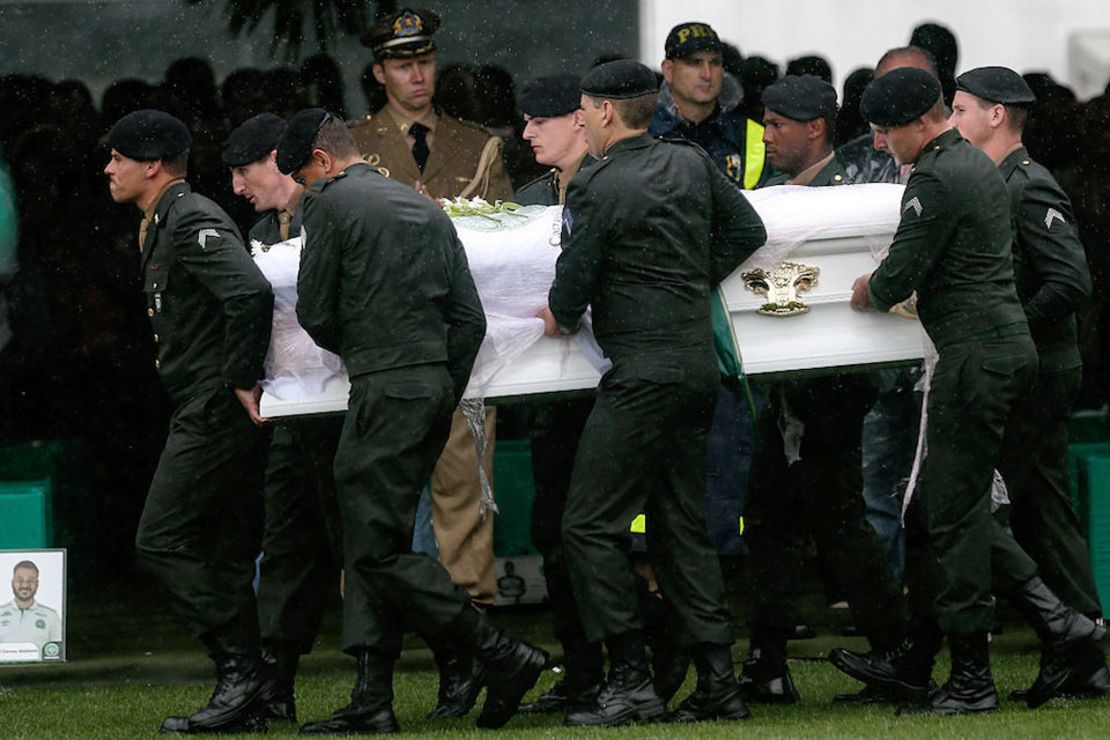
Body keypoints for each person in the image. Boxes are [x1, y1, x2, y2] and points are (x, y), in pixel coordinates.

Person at [276, 108, 546, 734]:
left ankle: (497, 653)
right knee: (382, 540)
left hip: (382, 388)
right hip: (431, 390)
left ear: (321, 161)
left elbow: (315, 309)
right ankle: (373, 696)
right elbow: (470, 320)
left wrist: (374, 358)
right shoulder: (424, 208)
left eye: (303, 176)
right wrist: (438, 386)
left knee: (367, 550)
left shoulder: (330, 207)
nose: (304, 189)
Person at [844, 68, 1104, 716]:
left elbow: (902, 271)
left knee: (959, 519)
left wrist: (867, 289)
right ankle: (1055, 624)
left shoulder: (935, 177)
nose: (879, 145)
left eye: (884, 132)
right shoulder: (978, 166)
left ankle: (974, 678)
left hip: (973, 359)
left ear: (919, 123)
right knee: (944, 507)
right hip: (1002, 351)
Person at [538, 60, 767, 726]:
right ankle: (718, 680)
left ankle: (633, 675)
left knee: (586, 525)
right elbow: (747, 231)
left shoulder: (596, 186)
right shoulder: (690, 163)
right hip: (697, 366)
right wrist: (690, 279)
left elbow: (568, 294)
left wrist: (567, 306)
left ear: (607, 113)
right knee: (681, 527)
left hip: (641, 372)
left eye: (583, 109)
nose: (579, 119)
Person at [350, 14, 505, 703]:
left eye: (426, 60)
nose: (417, 74)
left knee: (464, 507)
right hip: (382, 353)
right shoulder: (351, 147)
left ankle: (466, 660)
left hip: (457, 349)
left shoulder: (478, 148)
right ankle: (373, 673)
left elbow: (508, 243)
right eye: (402, 63)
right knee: (377, 514)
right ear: (379, 71)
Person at [104, 109, 275, 733]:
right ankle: (251, 689)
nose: (109, 169)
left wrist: (238, 374)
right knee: (226, 551)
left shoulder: (191, 217)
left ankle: (240, 671)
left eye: (118, 158)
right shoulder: (165, 219)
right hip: (201, 400)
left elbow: (249, 293)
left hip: (213, 404)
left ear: (152, 164)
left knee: (162, 538)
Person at [738, 74, 906, 705]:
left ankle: (891, 646)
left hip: (836, 382)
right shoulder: (767, 195)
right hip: (781, 384)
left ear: (815, 129)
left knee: (838, 520)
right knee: (772, 519)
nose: (767, 135)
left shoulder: (856, 194)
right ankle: (769, 658)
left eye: (779, 125)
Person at [948, 66, 1108, 698]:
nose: (951, 122)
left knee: (1042, 510)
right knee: (1038, 511)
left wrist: (1007, 323)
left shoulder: (1028, 185)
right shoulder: (994, 182)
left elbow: (1070, 281)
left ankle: (1081, 644)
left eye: (961, 110)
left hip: (1040, 367)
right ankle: (1078, 650)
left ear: (995, 115)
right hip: (1028, 363)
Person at [221, 112, 345, 722]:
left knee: (364, 545)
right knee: (289, 545)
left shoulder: (336, 209)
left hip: (352, 404)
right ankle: (277, 684)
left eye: (245, 172)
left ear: (276, 159)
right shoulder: (260, 229)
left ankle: (399, 676)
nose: (239, 188)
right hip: (293, 409)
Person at [512, 73, 604, 716]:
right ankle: (582, 665)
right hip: (550, 387)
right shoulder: (526, 198)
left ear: (579, 119)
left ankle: (630, 663)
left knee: (600, 533)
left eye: (539, 120)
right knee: (554, 530)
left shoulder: (613, 182)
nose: (525, 133)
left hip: (611, 381)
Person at [0, 561, 62, 650]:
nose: (25, 585)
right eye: (20, 580)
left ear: (37, 583)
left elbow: (57, 654)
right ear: (12, 582)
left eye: (30, 581)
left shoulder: (51, 616)